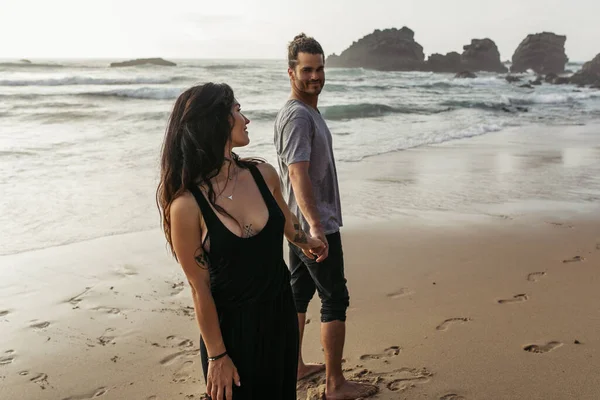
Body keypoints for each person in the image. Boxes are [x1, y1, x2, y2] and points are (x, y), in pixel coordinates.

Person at [157, 82, 326, 400]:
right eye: (237, 110)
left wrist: (310, 241)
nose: (245, 119)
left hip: (280, 317)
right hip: (232, 335)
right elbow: (199, 288)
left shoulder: (264, 174)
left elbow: (288, 227)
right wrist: (217, 356)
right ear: (216, 121)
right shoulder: (187, 205)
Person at [274, 34, 378, 399]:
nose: (315, 76)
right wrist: (316, 226)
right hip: (314, 226)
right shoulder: (298, 116)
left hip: (300, 225)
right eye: (307, 69)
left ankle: (295, 367)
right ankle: (335, 384)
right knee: (335, 298)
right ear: (291, 72)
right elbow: (297, 173)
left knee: (298, 295)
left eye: (319, 69)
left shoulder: (307, 111)